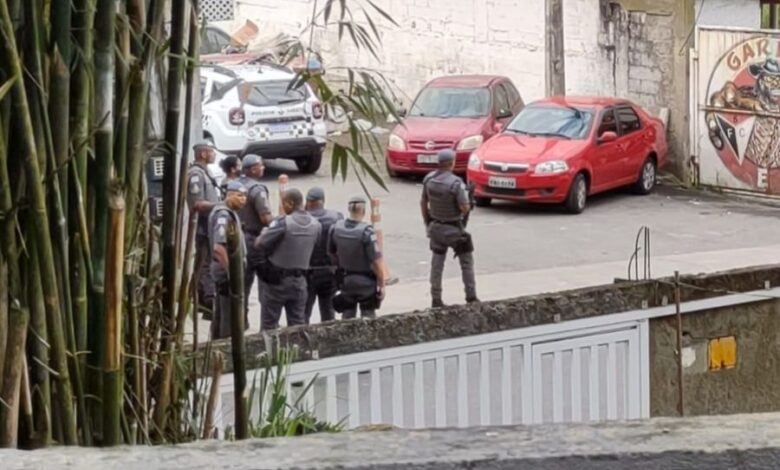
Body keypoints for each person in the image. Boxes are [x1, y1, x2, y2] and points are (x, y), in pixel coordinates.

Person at [254, 188, 321, 330]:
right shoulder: (316, 225)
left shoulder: (283, 222)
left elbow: (260, 243)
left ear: (290, 203)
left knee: (269, 326)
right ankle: (296, 352)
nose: (283, 207)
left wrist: (264, 231)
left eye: (283, 203)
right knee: (297, 326)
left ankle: (269, 352)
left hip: (276, 283)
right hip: (300, 282)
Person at [420, 149, 479, 308]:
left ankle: (436, 298)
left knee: (437, 264)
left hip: (436, 227)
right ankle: (471, 296)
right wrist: (469, 202)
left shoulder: (429, 180)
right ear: (452, 163)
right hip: (454, 229)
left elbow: (423, 203)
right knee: (466, 262)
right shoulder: (456, 183)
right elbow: (464, 208)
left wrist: (428, 223)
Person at [329, 195, 386, 319]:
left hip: (346, 282)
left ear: (349, 210)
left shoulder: (336, 228)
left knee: (347, 318)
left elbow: (332, 255)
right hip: (366, 284)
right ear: (363, 211)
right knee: (368, 319)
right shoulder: (367, 233)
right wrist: (381, 285)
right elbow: (376, 263)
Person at [208, 180, 248, 339]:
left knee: (221, 313)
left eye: (245, 196)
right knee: (229, 315)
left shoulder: (229, 212)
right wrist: (232, 272)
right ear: (229, 195)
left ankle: (217, 346)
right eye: (239, 195)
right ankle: (226, 348)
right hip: (225, 274)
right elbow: (218, 249)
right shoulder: (223, 215)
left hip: (225, 272)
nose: (243, 199)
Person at [237, 154, 272, 327]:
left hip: (238, 238)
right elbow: (265, 218)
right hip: (255, 240)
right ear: (252, 169)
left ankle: (240, 321)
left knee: (242, 283)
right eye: (261, 165)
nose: (263, 167)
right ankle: (267, 324)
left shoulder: (235, 185)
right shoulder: (257, 189)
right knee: (265, 283)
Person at [187, 140, 221, 319]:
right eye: (211, 151)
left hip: (210, 225)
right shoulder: (196, 175)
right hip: (203, 226)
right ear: (203, 154)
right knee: (205, 263)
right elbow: (197, 203)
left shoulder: (205, 173)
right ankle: (207, 300)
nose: (214, 154)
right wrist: (221, 205)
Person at [304, 187, 344, 323]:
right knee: (328, 312)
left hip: (307, 271)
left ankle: (300, 343)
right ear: (323, 201)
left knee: (304, 313)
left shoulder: (301, 219)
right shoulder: (336, 217)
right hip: (329, 271)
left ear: (308, 201)